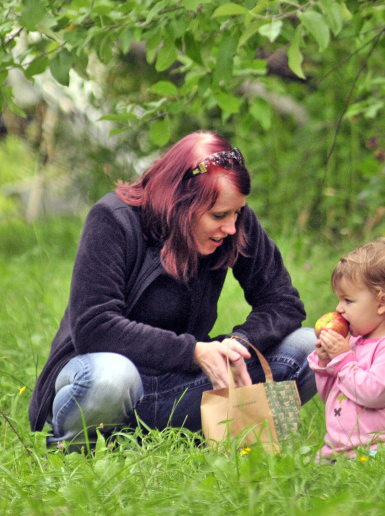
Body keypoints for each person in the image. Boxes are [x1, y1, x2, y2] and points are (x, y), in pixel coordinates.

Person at [27, 130, 318, 449]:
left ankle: (229, 437)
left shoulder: (232, 224)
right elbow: (95, 327)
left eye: (237, 213)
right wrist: (194, 351)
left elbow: (283, 302)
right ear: (181, 204)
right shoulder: (114, 219)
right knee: (113, 375)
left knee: (309, 347)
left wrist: (239, 343)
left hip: (178, 384)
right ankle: (76, 449)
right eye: (219, 215)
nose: (232, 227)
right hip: (107, 381)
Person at [309, 239, 385, 461]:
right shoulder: (353, 343)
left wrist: (342, 360)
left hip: (380, 449)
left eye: (348, 300)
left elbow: (372, 394)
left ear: (382, 303)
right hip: (339, 448)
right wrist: (325, 364)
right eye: (339, 299)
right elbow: (334, 396)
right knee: (301, 480)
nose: (339, 308)